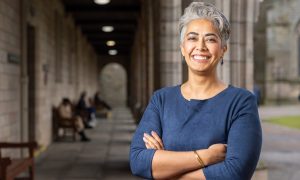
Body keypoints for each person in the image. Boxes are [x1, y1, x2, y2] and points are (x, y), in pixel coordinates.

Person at [130, 2, 262, 180]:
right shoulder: (161, 99)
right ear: (183, 48)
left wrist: (164, 168)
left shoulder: (241, 102)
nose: (201, 46)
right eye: (192, 38)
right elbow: (138, 161)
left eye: (210, 39)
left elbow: (234, 173)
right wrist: (205, 157)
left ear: (223, 49)